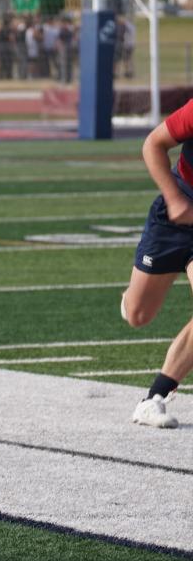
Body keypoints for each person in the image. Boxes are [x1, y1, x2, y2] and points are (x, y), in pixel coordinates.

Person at [122, 98, 193, 429]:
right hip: (175, 210)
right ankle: (131, 295)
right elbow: (153, 143)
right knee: (138, 315)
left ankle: (154, 399)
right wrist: (174, 199)